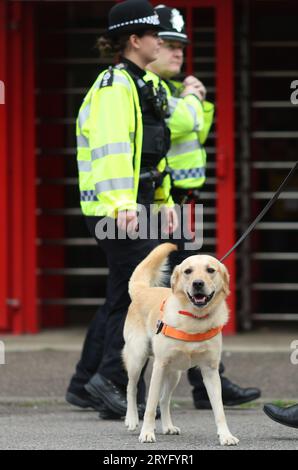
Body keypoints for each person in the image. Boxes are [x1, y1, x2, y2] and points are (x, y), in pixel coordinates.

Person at [146, 4, 261, 410]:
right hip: (159, 205)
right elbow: (179, 126)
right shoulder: (149, 89)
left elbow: (196, 131)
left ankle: (209, 380)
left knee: (191, 289)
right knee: (145, 294)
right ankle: (101, 379)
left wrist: (197, 102)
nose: (178, 53)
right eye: (169, 44)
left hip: (182, 202)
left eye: (181, 46)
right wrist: (195, 102)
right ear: (146, 44)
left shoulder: (175, 90)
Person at [66, 0, 177, 419]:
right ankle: (111, 379)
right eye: (155, 36)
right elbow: (111, 150)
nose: (161, 42)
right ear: (136, 40)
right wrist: (121, 206)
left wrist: (163, 203)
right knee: (142, 294)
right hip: (119, 211)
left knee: (121, 294)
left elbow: (152, 154)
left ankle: (86, 383)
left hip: (136, 206)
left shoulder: (141, 83)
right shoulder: (115, 85)